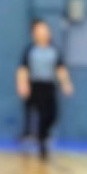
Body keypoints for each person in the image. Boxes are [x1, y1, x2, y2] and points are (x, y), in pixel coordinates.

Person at [16, 19, 73, 160]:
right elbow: (23, 69)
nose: (43, 33)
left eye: (45, 30)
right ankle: (40, 142)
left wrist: (66, 84)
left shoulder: (54, 50)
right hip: (34, 85)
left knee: (52, 115)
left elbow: (60, 69)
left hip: (49, 86)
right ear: (34, 34)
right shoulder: (30, 51)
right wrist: (22, 84)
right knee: (37, 115)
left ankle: (43, 135)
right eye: (40, 30)